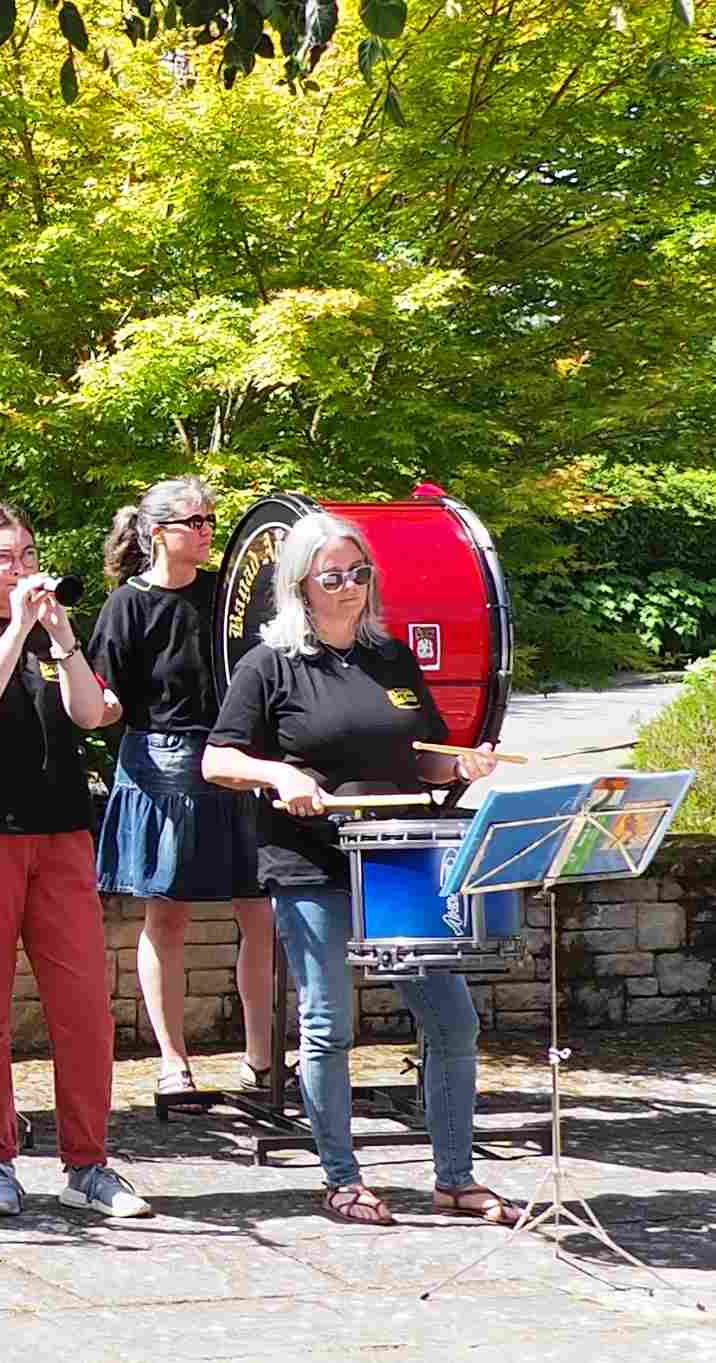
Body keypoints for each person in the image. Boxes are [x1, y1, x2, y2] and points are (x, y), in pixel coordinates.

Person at [201, 511, 516, 1229]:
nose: (349, 587)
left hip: (399, 859)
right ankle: (342, 1177)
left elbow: (422, 756)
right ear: (301, 585)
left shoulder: (389, 656)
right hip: (311, 860)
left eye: (359, 573)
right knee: (327, 1025)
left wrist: (462, 761)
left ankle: (455, 1178)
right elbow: (217, 758)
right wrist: (278, 773)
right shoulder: (269, 664)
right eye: (333, 575)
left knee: (452, 1018)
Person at [0, 502, 152, 1220]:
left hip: (60, 832)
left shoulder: (53, 634)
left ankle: (88, 1161)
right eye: (5, 558)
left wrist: (64, 640)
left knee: (83, 1007)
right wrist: (17, 628)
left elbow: (91, 713)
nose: (21, 569)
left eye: (28, 555)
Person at [90, 477, 279, 1097]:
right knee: (165, 917)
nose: (207, 532)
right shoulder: (128, 605)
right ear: (158, 532)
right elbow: (105, 697)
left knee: (261, 912)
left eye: (209, 521)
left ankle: (262, 1059)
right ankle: (174, 1063)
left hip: (238, 758)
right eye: (195, 522)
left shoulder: (227, 596)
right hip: (162, 765)